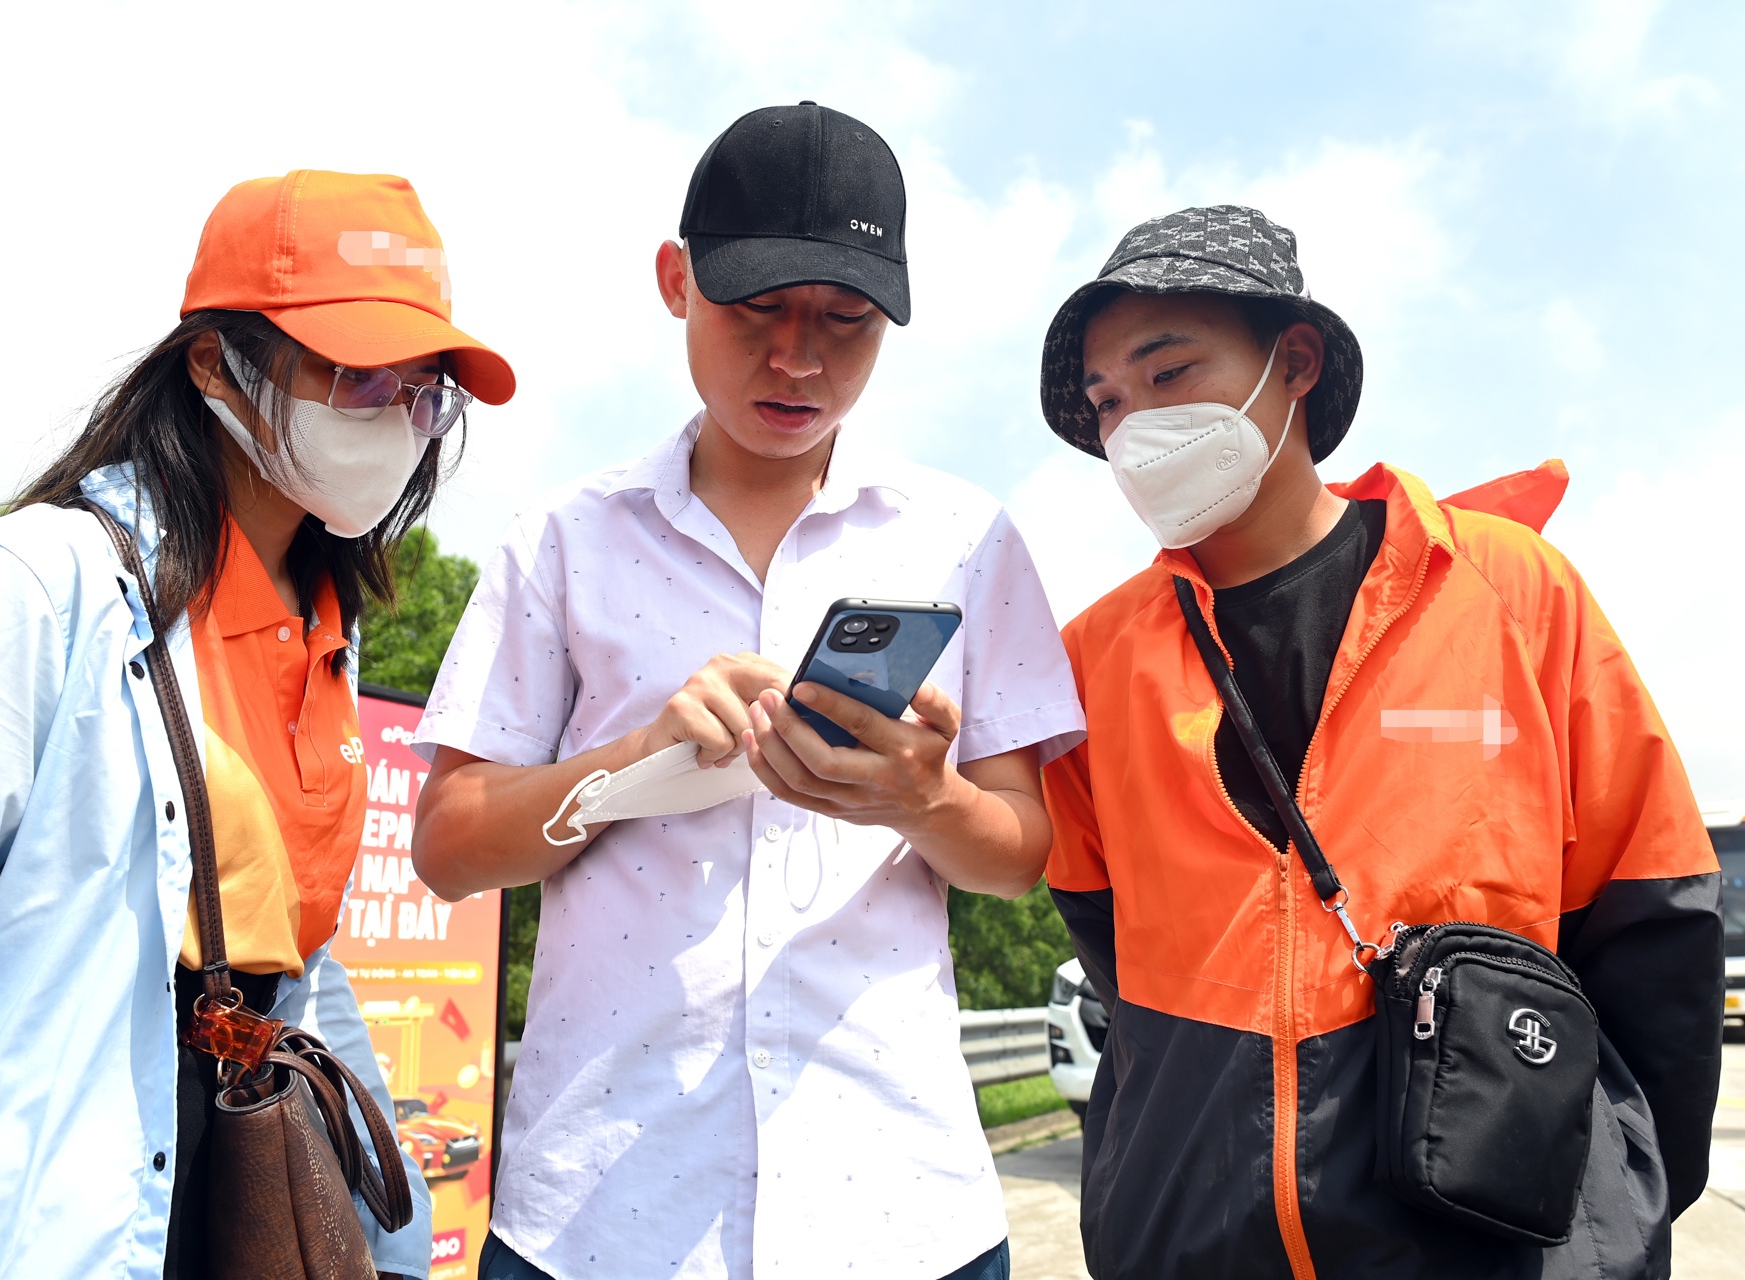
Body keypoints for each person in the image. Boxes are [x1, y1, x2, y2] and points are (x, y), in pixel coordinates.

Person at [410, 103, 1084, 1280]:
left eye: (845, 321)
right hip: (601, 1213)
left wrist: (920, 798)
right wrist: (634, 760)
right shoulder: (563, 541)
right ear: (675, 280)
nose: (797, 359)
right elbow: (451, 846)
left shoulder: (968, 541)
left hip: (896, 1204)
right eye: (756, 309)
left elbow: (1018, 852)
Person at [0, 169, 515, 1279]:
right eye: (357, 374)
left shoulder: (327, 629)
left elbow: (299, 967)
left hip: (250, 1207)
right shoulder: (28, 592)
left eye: (425, 389)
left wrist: (389, 1239)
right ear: (216, 362)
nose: (399, 417)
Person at [1037, 205, 1723, 1278]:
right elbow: (1110, 951)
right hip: (1194, 1240)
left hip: (1494, 1236)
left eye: (1169, 374)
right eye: (1108, 400)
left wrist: (1629, 1192)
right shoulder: (1091, 660)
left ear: (1295, 362)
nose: (1134, 427)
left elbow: (1652, 913)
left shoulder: (1507, 589)